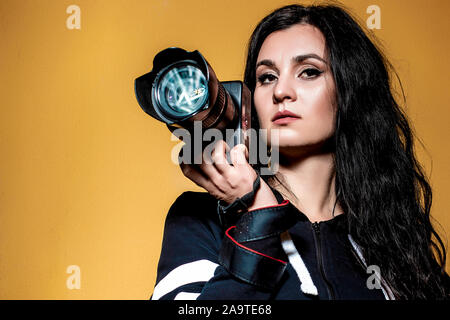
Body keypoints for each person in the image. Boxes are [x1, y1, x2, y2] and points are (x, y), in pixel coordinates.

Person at [150, 4, 450, 300]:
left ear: (349, 91)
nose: (281, 91)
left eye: (308, 72)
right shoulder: (201, 221)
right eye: (267, 77)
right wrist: (257, 220)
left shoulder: (394, 243)